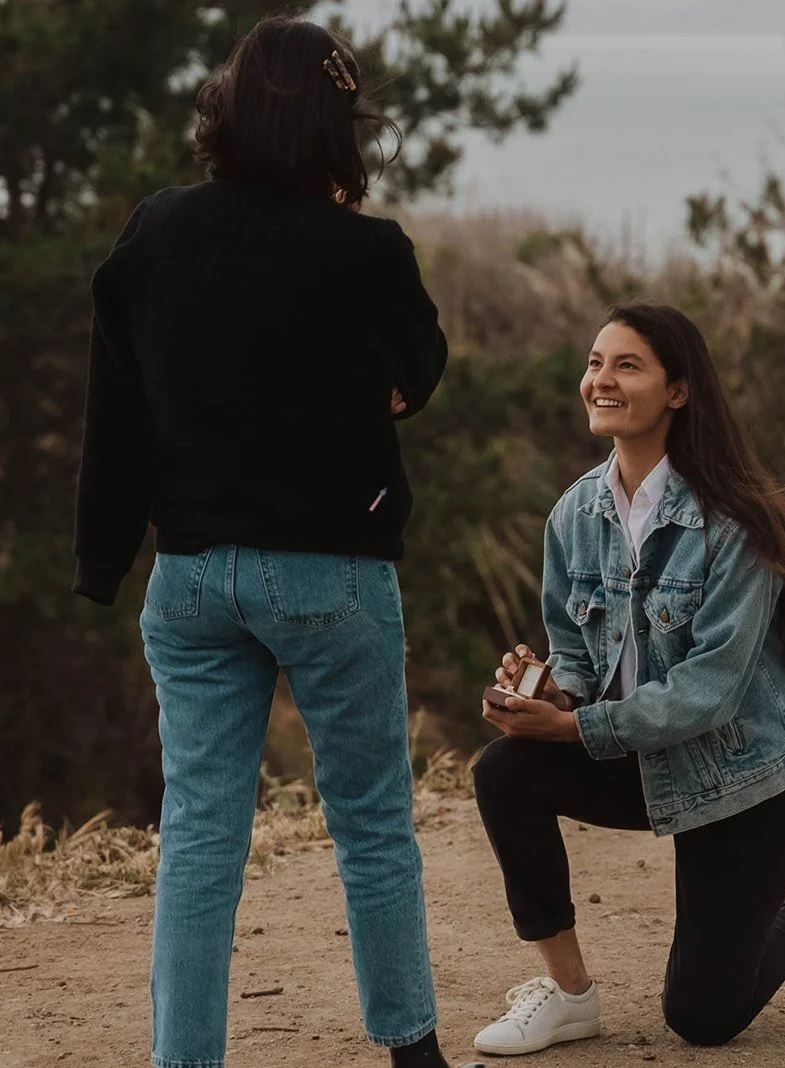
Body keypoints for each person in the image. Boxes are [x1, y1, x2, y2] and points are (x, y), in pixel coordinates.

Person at [72, 17, 464, 1068]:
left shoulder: (154, 232)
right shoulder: (365, 251)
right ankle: (411, 1053)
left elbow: (116, 408)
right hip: (330, 573)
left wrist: (100, 556)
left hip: (191, 576)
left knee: (200, 835)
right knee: (371, 824)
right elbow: (418, 369)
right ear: (339, 128)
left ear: (226, 112)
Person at [469, 303, 785, 1056]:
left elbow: (711, 690)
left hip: (749, 777)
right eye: (596, 363)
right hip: (643, 754)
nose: (602, 380)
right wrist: (548, 694)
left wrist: (578, 728)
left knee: (702, 1019)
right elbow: (577, 659)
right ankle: (569, 997)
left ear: (678, 392)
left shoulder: (735, 523)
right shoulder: (573, 517)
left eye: (627, 365)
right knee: (505, 770)